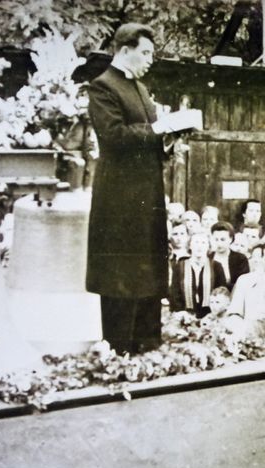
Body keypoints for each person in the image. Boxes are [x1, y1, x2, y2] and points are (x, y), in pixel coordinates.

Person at [86, 23, 171, 354]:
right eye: (145, 53)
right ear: (124, 50)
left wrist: (170, 138)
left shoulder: (142, 88)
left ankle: (148, 346)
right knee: (121, 271)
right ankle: (121, 349)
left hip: (148, 194)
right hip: (119, 197)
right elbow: (114, 136)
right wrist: (158, 129)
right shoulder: (103, 86)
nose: (150, 60)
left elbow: (149, 136)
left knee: (148, 267)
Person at [168, 232, 225, 318]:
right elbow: (174, 293)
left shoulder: (216, 266)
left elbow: (221, 292)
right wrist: (181, 312)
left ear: (209, 246)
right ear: (190, 245)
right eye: (196, 242)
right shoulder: (179, 266)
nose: (199, 246)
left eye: (203, 243)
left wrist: (213, 314)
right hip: (185, 314)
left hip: (211, 315)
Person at [210, 221, 250, 290]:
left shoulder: (240, 259)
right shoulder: (208, 258)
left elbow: (243, 283)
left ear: (230, 239)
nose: (219, 243)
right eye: (216, 239)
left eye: (222, 239)